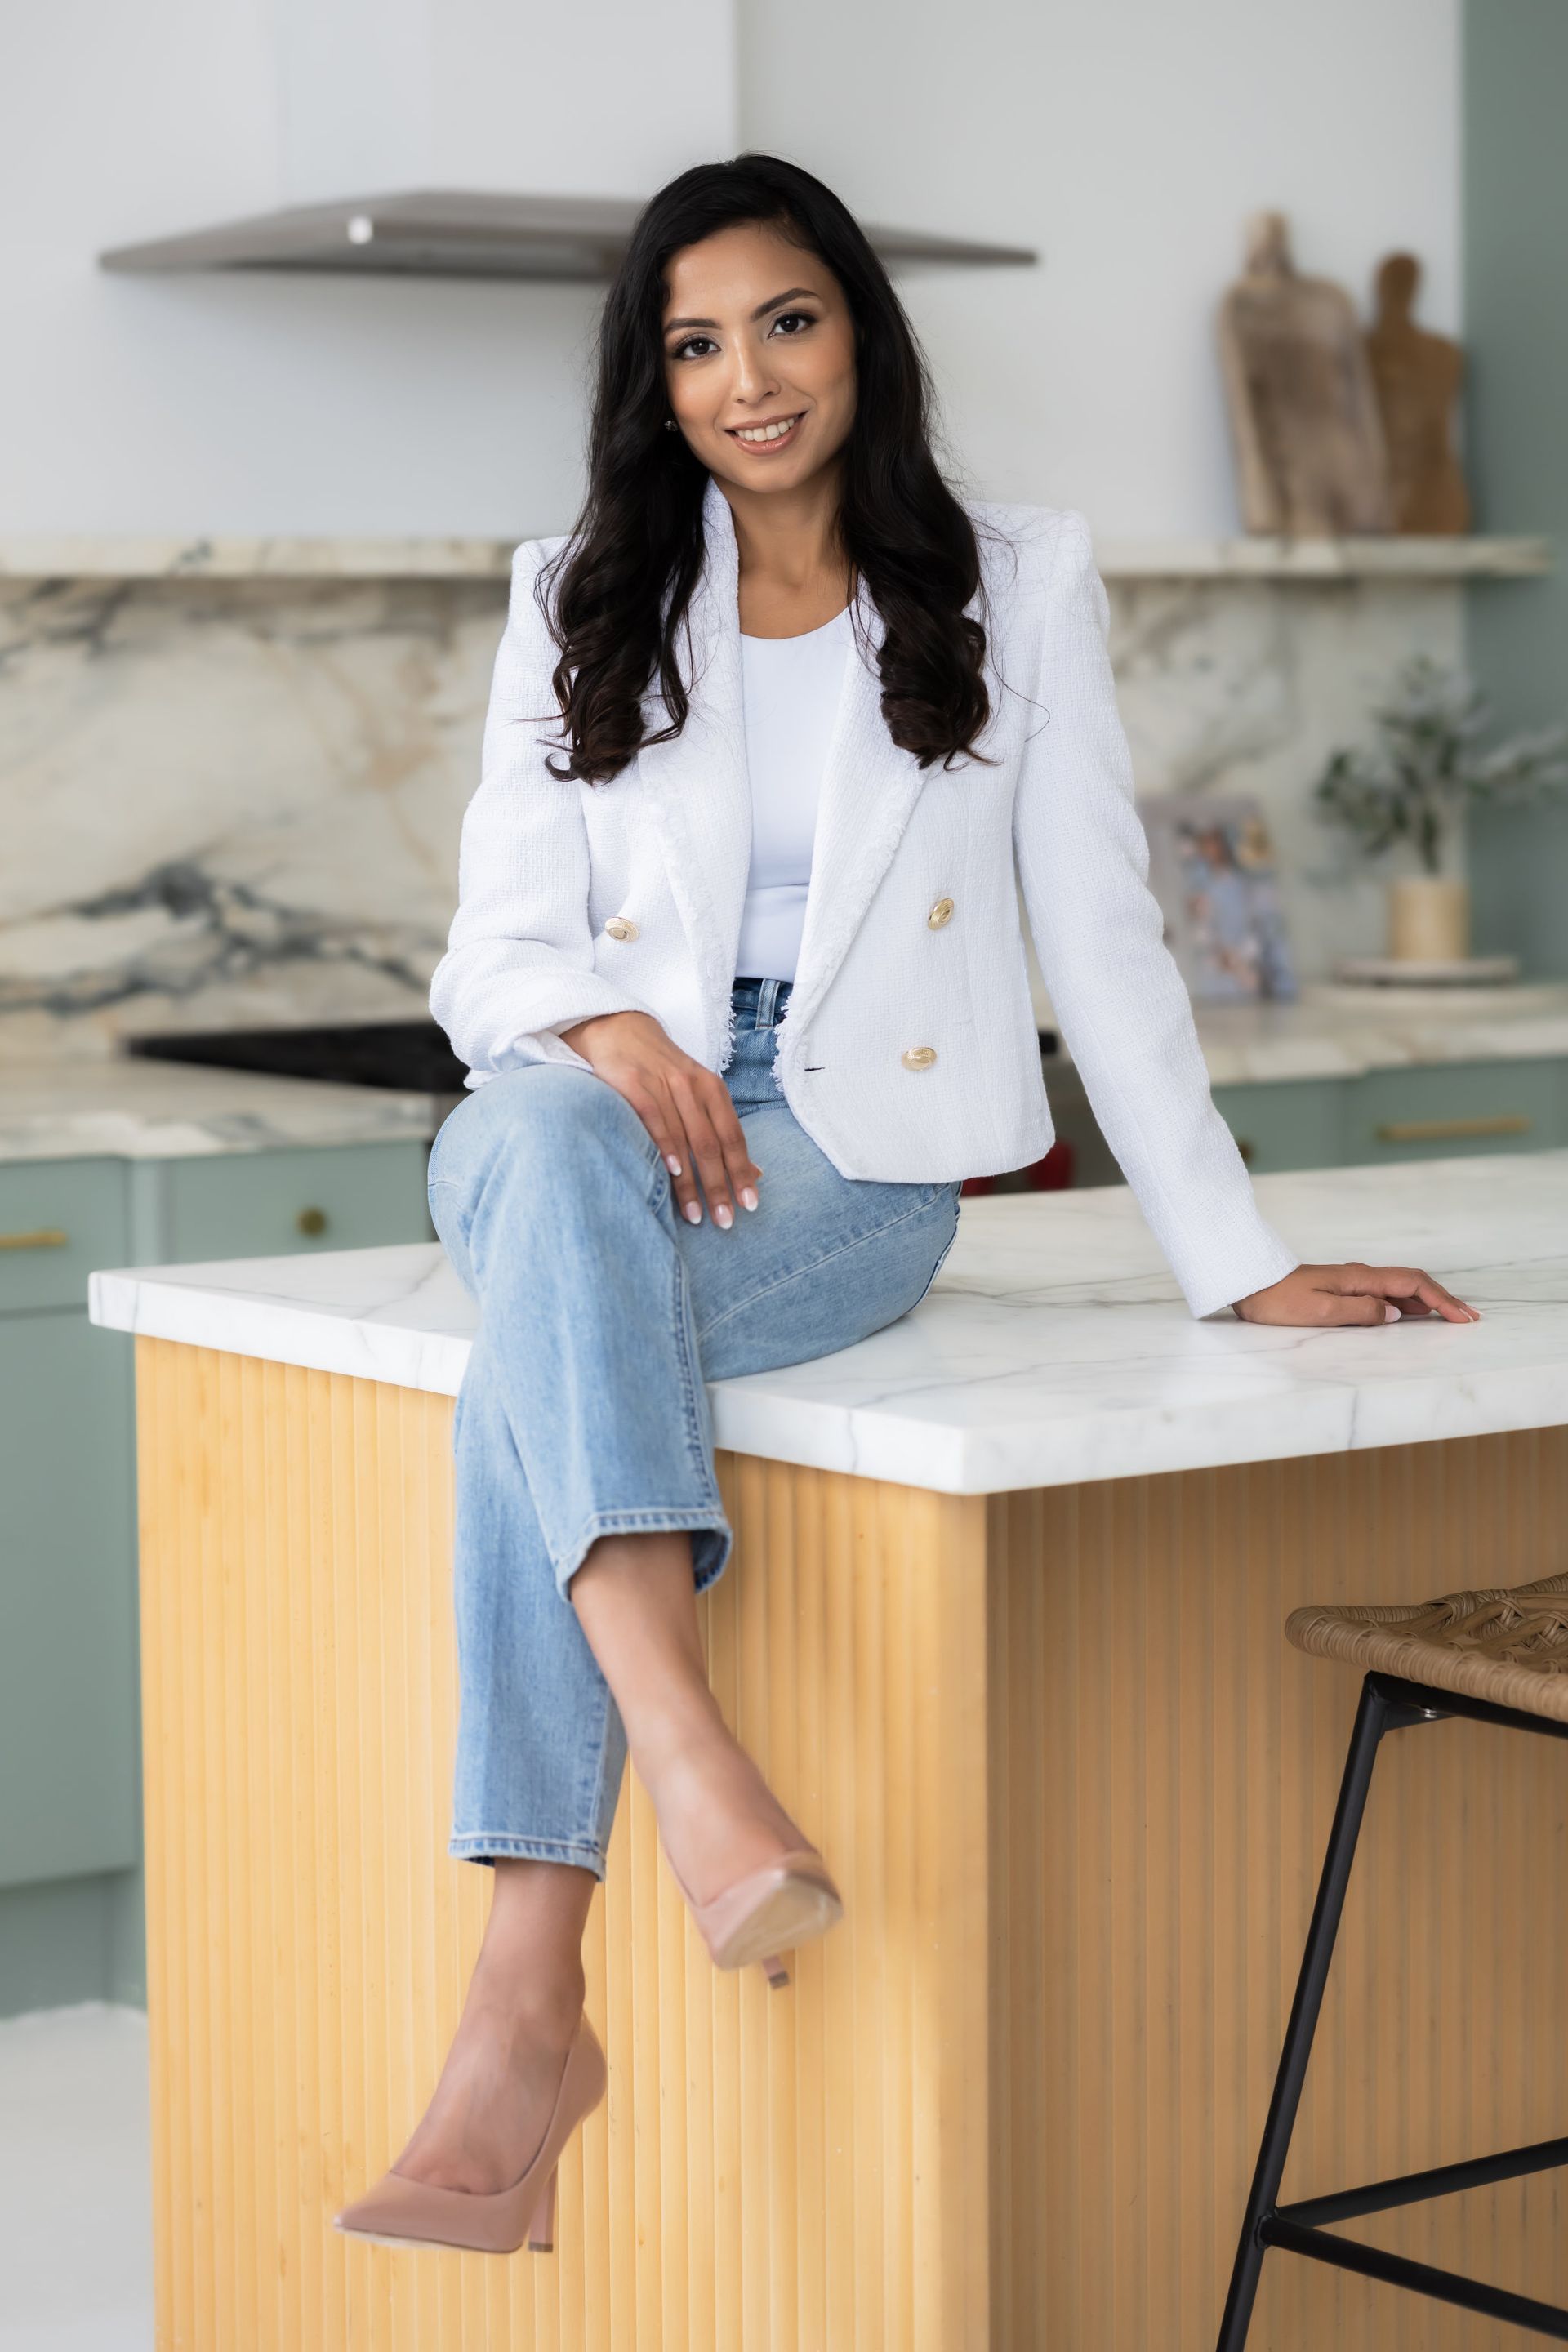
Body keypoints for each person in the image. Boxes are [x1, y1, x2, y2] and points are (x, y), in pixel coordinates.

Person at [333, 154, 1477, 2259]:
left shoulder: (1012, 580)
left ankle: (528, 1986)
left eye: (785, 321)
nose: (747, 378)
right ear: (652, 386)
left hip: (859, 1151)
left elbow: (1102, 939)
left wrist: (1239, 1261)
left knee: (546, 1329)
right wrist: (605, 1033)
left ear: (857, 326)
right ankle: (682, 1774)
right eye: (694, 345)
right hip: (581, 1099)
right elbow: (488, 946)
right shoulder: (573, 581)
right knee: (564, 1173)